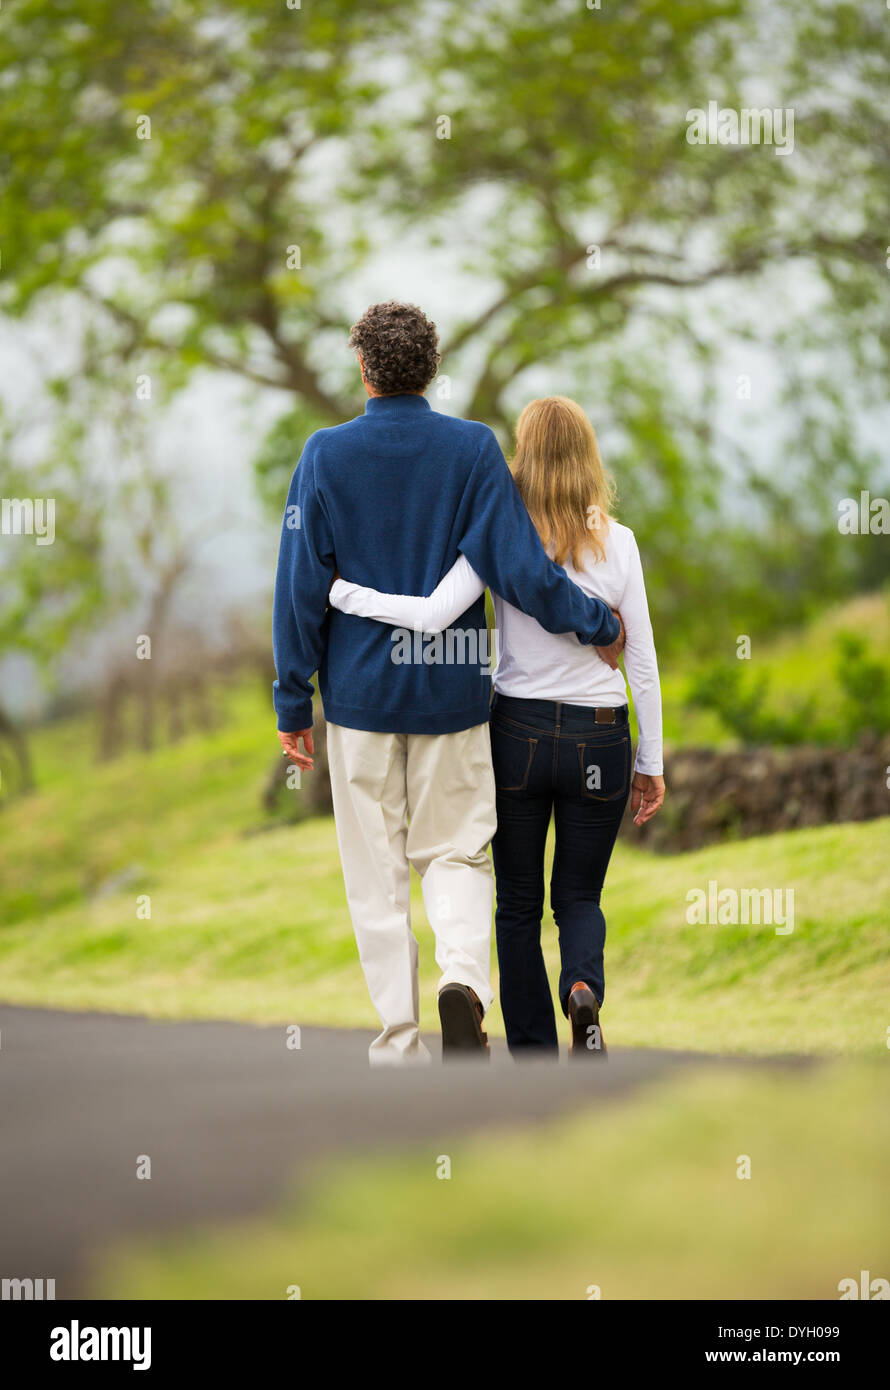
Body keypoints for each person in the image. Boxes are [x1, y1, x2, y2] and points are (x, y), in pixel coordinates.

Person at [272, 305, 623, 1065]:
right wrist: (596, 620)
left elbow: (299, 586)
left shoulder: (323, 456)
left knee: (378, 879)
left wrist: (292, 700)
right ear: (431, 369)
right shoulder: (472, 450)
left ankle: (400, 1044)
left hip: (360, 703)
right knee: (458, 856)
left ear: (362, 369)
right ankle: (462, 980)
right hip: (456, 698)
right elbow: (520, 569)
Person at [330, 395, 665, 1058]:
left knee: (515, 906)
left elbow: (433, 612)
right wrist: (649, 761)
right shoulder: (619, 545)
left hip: (518, 733)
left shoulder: (498, 539)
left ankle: (534, 1053)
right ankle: (583, 988)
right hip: (600, 733)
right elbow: (644, 662)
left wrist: (342, 592)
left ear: (523, 460)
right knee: (579, 895)